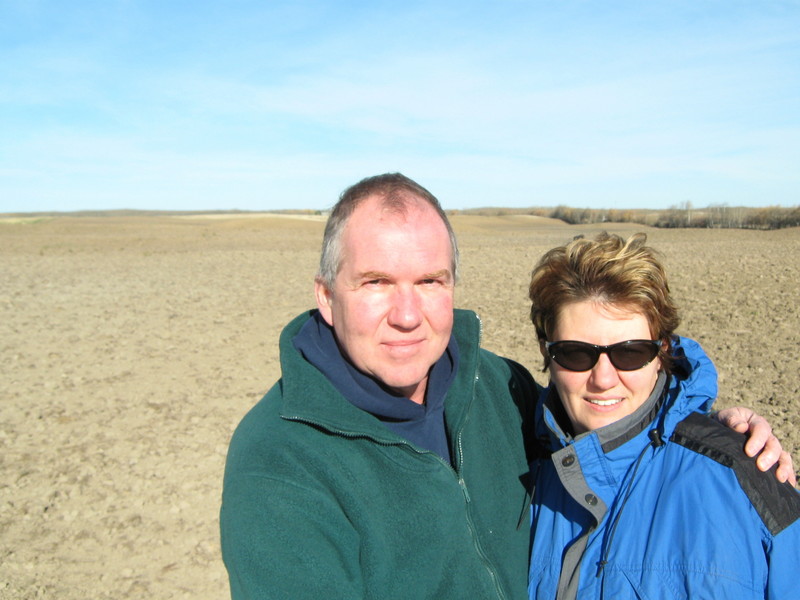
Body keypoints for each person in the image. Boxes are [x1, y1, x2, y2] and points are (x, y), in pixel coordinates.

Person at [220, 174, 792, 600]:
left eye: (429, 280)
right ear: (326, 296)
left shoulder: (498, 391)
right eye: (375, 282)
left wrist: (717, 432)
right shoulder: (280, 462)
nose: (406, 313)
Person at [526, 232, 800, 600]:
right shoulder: (516, 470)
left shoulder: (748, 479)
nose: (604, 379)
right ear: (547, 353)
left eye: (630, 353)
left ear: (662, 352)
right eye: (576, 353)